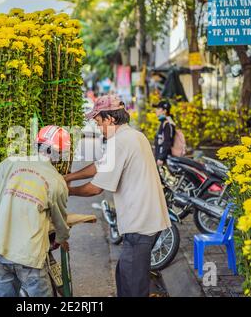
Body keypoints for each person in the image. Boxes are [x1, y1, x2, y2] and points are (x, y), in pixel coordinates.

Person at [64, 94, 171, 297]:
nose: (98, 128)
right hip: (147, 221)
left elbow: (96, 188)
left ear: (110, 119)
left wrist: (67, 189)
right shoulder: (133, 136)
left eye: (98, 122)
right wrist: (69, 176)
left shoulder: (119, 142)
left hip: (140, 224)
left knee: (132, 287)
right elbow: (100, 166)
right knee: (124, 275)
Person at [0, 125, 71, 297]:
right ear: (60, 154)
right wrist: (62, 239)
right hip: (29, 257)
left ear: (36, 143)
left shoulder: (10, 163)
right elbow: (60, 220)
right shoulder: (56, 181)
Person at [153, 100, 175, 166]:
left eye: (158, 108)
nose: (156, 110)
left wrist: (161, 158)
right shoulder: (163, 122)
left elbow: (167, 142)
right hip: (162, 159)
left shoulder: (167, 124)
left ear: (164, 111)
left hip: (164, 161)